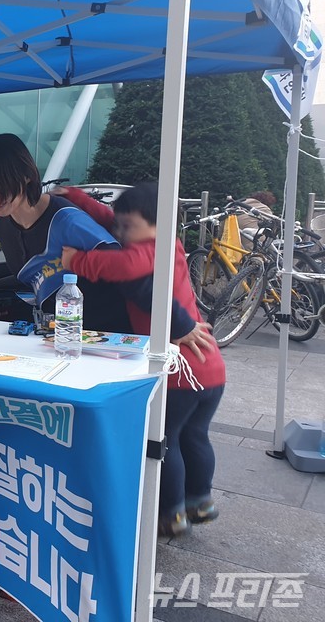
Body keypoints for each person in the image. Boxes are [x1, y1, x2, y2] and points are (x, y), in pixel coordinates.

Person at [59, 182, 226, 538]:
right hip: (210, 367)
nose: (120, 232)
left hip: (181, 370)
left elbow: (119, 265)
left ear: (159, 224)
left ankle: (171, 513)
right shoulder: (165, 244)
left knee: (168, 440)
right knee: (197, 436)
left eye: (128, 226)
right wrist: (76, 198)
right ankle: (201, 500)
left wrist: (78, 261)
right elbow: (110, 219)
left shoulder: (153, 250)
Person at [0, 133, 132, 332]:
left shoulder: (68, 221)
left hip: (106, 335)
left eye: (1, 186)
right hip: (57, 333)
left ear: (26, 175)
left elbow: (127, 268)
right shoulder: (1, 224)